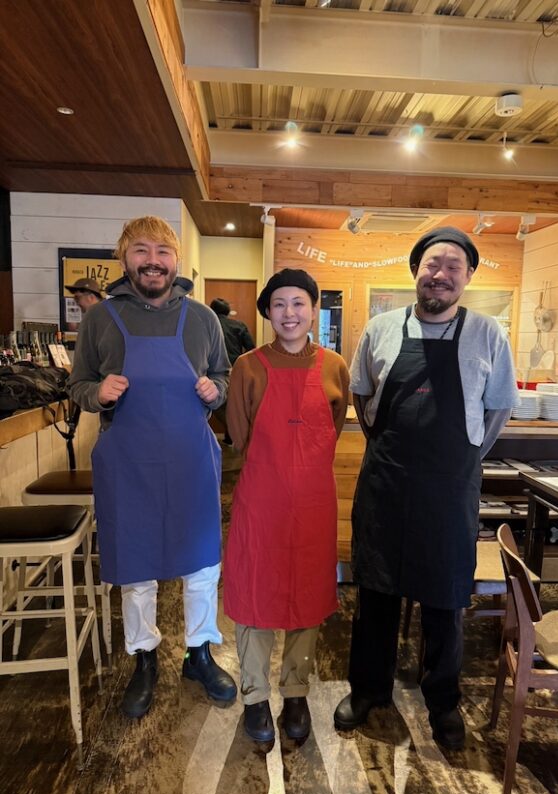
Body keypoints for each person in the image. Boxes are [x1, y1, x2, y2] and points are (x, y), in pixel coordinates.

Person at [333, 227, 519, 750]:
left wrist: (465, 454)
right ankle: (369, 690)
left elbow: (499, 407)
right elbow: (363, 395)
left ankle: (443, 703)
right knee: (376, 592)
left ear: (468, 276)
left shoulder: (486, 334)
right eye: (432, 264)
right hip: (386, 482)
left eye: (453, 266)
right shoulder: (382, 328)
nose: (441, 274)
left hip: (449, 487)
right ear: (416, 270)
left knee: (444, 597)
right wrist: (387, 447)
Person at [68, 215, 236, 719]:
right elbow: (78, 386)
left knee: (201, 562)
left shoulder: (203, 318)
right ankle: (144, 657)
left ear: (176, 261)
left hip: (191, 460)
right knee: (136, 565)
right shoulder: (100, 319)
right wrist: (98, 393)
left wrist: (215, 390)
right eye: (141, 250)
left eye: (162, 251)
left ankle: (199, 653)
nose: (152, 261)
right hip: (129, 462)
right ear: (124, 258)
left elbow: (223, 376)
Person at [223, 268, 349, 743]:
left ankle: (296, 692)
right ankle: (254, 697)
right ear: (268, 313)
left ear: (314, 310)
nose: (289, 313)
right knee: (256, 593)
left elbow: (335, 424)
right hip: (261, 499)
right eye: (279, 304)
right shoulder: (247, 366)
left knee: (308, 595)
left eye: (299, 303)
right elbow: (239, 433)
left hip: (314, 503)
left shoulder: (335, 366)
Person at [209, 298, 255, 444]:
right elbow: (252, 349)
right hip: (236, 370)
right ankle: (233, 434)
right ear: (227, 311)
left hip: (213, 372)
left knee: (214, 403)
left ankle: (231, 433)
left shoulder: (207, 324)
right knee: (235, 405)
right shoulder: (239, 325)